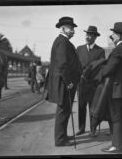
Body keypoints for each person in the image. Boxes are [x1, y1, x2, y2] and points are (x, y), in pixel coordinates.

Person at [98, 22, 122, 153]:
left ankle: (117, 146)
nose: (111, 36)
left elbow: (109, 69)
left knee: (116, 118)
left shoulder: (118, 50)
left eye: (113, 34)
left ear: (119, 36)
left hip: (116, 89)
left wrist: (98, 73)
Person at [46, 16, 82, 146]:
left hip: (65, 82)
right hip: (64, 83)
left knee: (66, 110)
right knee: (63, 110)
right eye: (71, 28)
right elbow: (62, 64)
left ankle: (63, 136)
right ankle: (60, 140)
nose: (73, 31)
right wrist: (69, 82)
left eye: (73, 29)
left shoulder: (63, 41)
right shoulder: (62, 41)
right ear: (63, 28)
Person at [76, 25, 105, 137]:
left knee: (93, 107)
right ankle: (81, 128)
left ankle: (93, 129)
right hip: (81, 84)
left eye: (90, 35)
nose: (87, 37)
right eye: (86, 34)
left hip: (93, 85)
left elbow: (100, 68)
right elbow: (76, 66)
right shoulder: (79, 49)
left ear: (95, 37)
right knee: (81, 106)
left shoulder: (100, 51)